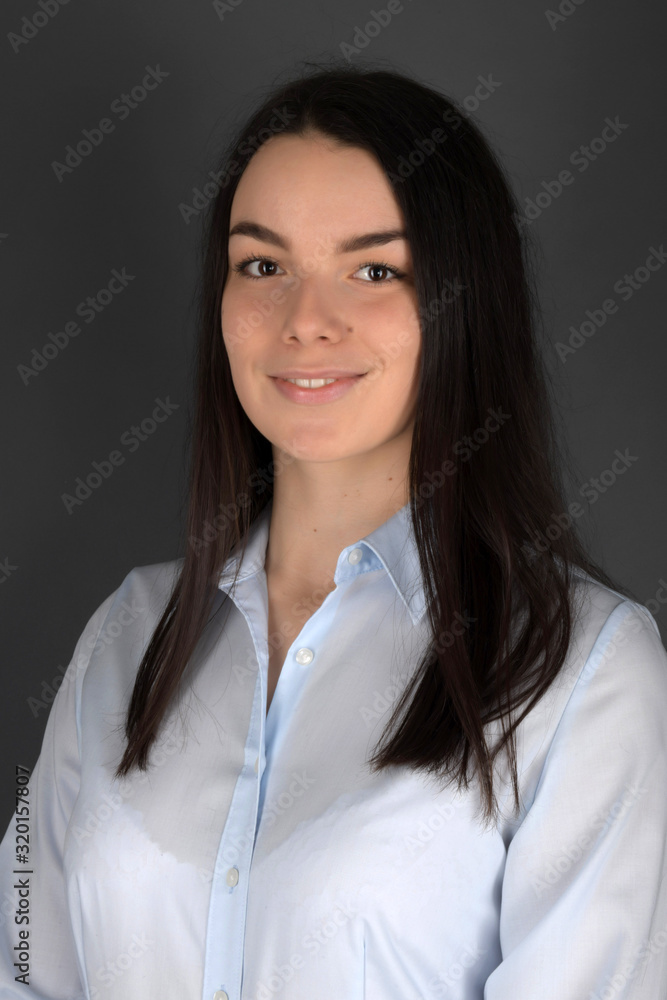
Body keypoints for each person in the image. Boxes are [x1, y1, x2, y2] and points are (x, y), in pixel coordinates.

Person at [1, 60, 666, 1000]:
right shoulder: (126, 636)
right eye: (262, 266)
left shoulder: (583, 673)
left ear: (462, 302)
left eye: (374, 270)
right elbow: (21, 965)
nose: (305, 320)